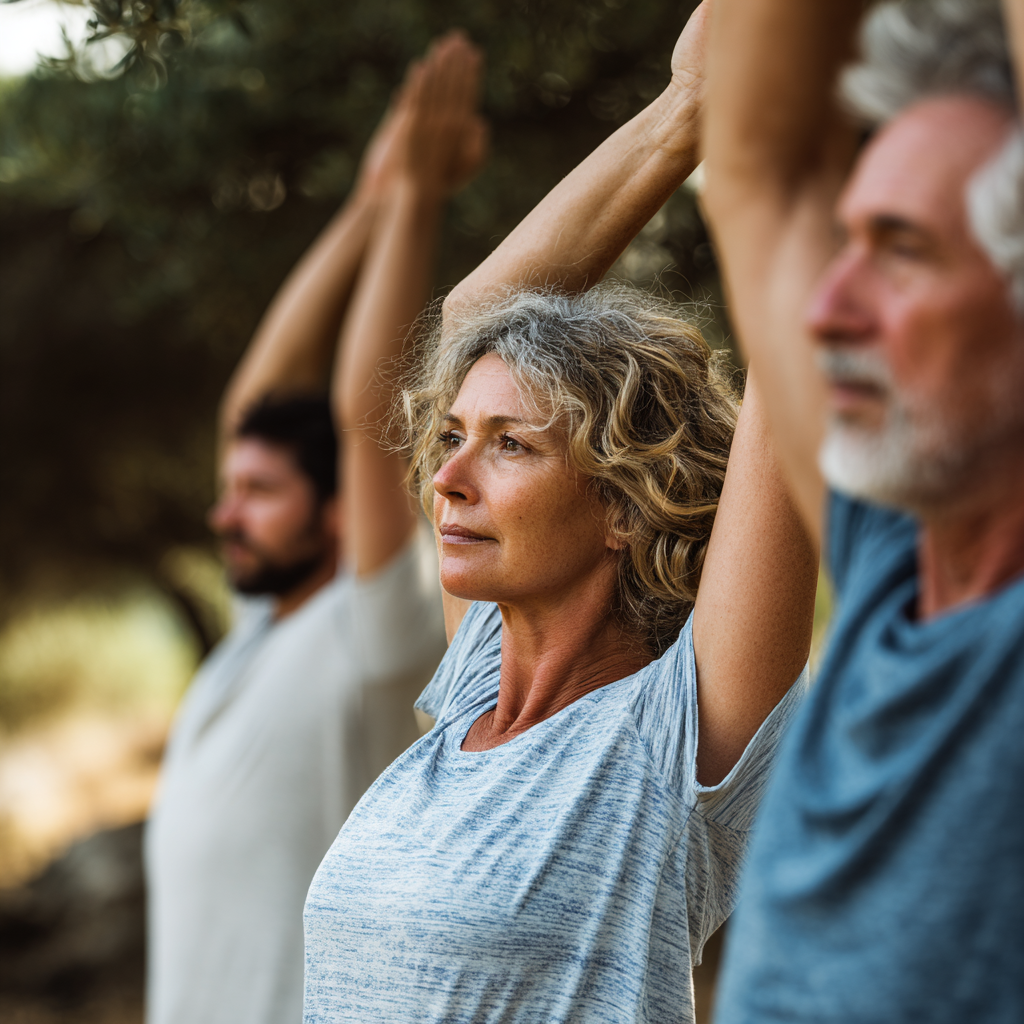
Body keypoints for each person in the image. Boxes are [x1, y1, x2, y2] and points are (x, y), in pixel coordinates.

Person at [301, 6, 818, 1021]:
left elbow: (791, 356)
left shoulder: (670, 739)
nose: (448, 478)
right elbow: (471, 315)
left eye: (512, 445)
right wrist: (685, 110)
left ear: (623, 505)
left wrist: (782, 99)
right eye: (453, 436)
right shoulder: (469, 698)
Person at [144, 35, 485, 1024]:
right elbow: (253, 402)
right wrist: (368, 201)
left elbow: (362, 415)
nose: (225, 512)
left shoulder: (373, 636)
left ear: (337, 514)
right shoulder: (265, 627)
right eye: (231, 489)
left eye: (257, 493)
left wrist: (416, 203)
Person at [698, 0, 1024, 1019]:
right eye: (845, 240)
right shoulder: (891, 560)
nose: (827, 305)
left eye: (903, 249)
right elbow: (761, 169)